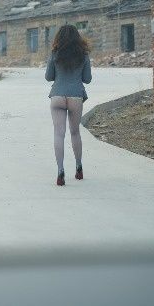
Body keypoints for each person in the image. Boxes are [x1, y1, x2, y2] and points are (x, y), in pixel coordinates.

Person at [45, 24, 92, 187]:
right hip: (75, 96)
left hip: (57, 95)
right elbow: (87, 79)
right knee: (75, 132)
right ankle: (79, 168)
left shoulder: (55, 53)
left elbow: (48, 77)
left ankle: (60, 171)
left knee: (59, 134)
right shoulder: (83, 55)